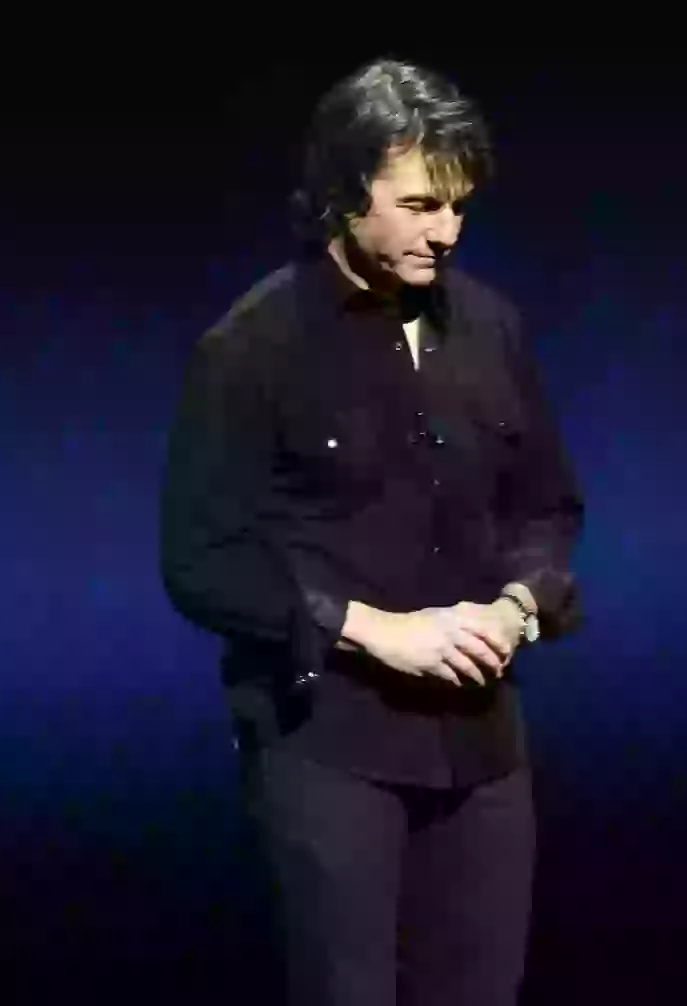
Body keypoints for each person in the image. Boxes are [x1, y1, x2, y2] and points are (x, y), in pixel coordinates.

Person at [159, 56, 584, 1005]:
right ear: (345, 199)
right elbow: (201, 560)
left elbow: (547, 506)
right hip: (330, 746)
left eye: (459, 206)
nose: (447, 231)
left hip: (482, 749)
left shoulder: (491, 326)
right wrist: (377, 631)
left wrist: (518, 606)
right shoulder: (250, 349)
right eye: (420, 205)